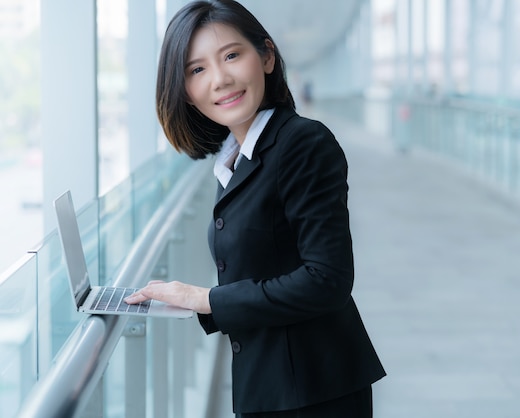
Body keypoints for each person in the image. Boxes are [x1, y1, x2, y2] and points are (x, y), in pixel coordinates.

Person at [124, 1, 386, 416]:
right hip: (273, 386)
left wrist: (205, 298)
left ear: (265, 56)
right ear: (185, 93)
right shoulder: (235, 158)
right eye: (197, 70)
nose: (220, 79)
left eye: (231, 55)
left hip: (314, 392)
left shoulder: (303, 143)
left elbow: (327, 279)